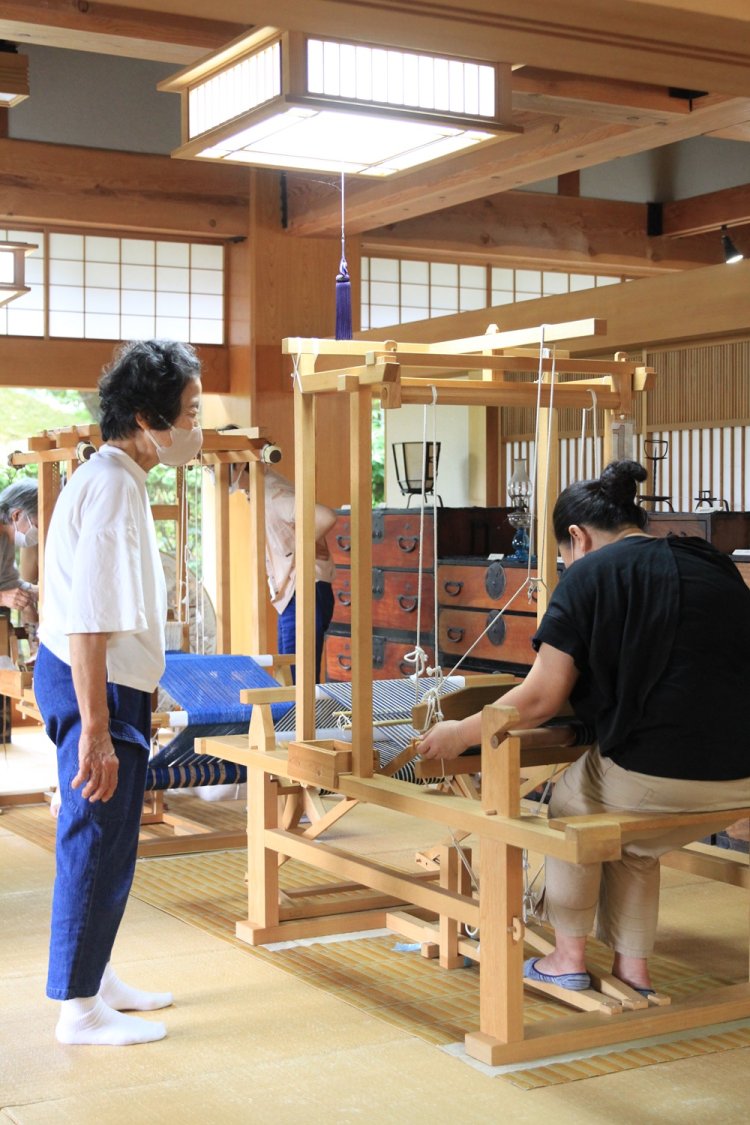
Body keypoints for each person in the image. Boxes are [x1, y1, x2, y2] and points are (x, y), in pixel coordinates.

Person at [418, 459, 750, 997]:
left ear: (577, 536)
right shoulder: (710, 561)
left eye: (563, 555)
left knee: (573, 804)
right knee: (634, 844)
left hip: (667, 775)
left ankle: (566, 958)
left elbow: (541, 698)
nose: (565, 565)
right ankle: (633, 973)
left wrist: (459, 734)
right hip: (743, 775)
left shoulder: (590, 573)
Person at [34, 339, 203, 1046]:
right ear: (145, 418)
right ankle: (78, 1007)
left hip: (108, 679)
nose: (196, 425)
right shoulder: (109, 483)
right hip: (90, 681)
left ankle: (95, 976)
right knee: (95, 835)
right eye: (189, 411)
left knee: (112, 841)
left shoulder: (121, 477)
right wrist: (98, 730)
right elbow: (88, 620)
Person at [232, 463, 336, 682]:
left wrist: (296, 552)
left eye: (215, 469)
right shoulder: (256, 488)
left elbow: (325, 516)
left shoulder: (272, 494)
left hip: (303, 588)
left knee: (299, 679)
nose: (214, 476)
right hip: (293, 590)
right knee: (289, 674)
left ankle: (303, 707)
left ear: (240, 465)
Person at [0, 478, 39, 614]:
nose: (38, 533)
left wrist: (40, 592)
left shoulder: (5, 539)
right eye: (36, 526)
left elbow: (9, 583)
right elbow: (5, 593)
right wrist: (2, 598)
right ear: (16, 515)